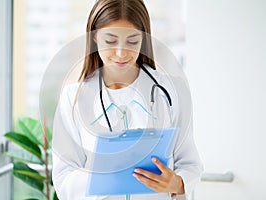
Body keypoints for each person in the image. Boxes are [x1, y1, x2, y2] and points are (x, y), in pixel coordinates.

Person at [52, 0, 203, 199]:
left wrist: (178, 182)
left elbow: (190, 164)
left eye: (132, 41)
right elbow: (63, 178)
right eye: (111, 41)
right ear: (95, 36)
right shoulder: (74, 98)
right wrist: (104, 175)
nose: (122, 53)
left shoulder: (172, 91)